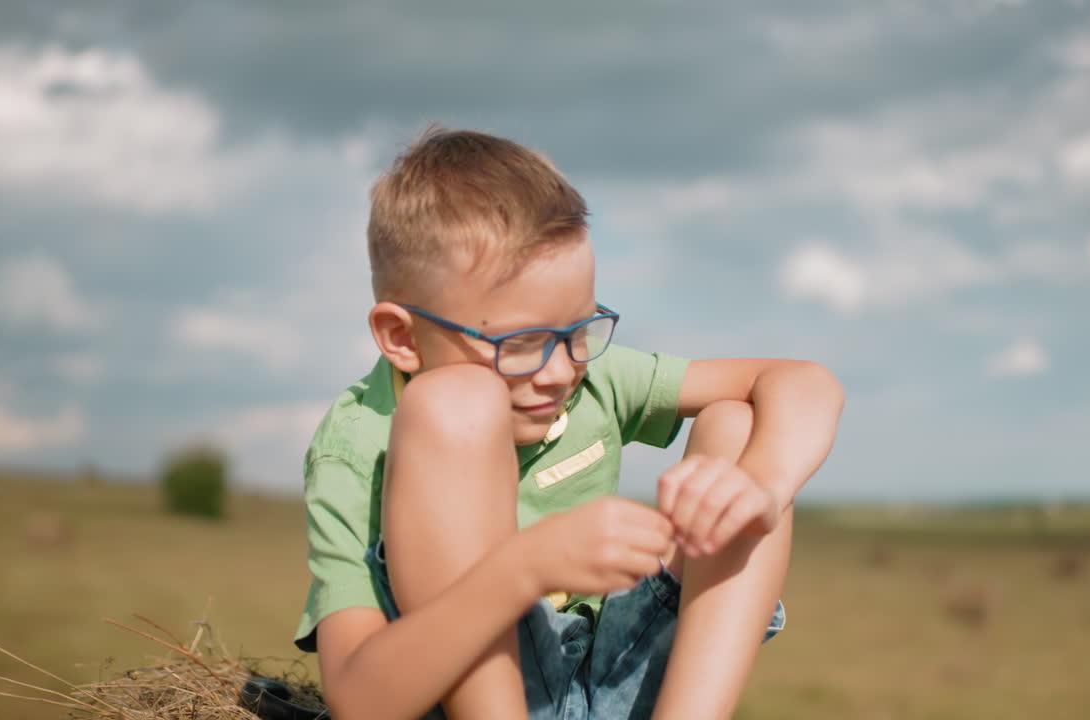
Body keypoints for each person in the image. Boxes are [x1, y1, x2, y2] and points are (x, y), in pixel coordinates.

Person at [292, 127, 845, 719]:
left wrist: (763, 482)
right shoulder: (356, 445)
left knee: (738, 426)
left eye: (578, 330)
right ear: (401, 336)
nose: (559, 372)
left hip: (616, 680)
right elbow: (359, 702)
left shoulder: (585, 375)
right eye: (520, 343)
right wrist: (527, 568)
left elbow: (804, 382)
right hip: (467, 692)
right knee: (451, 404)